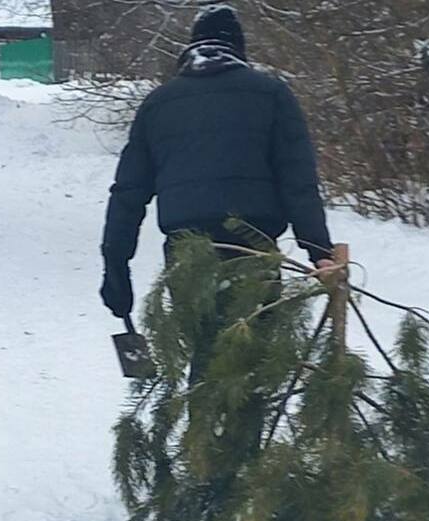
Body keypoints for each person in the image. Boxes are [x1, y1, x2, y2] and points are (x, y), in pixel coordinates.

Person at [99, 4, 337, 321]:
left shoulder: (157, 105)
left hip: (186, 253)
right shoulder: (272, 94)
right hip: (253, 248)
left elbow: (128, 193)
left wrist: (116, 267)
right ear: (239, 47)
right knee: (253, 355)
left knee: (204, 350)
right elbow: (298, 182)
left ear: (193, 45)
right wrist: (319, 251)